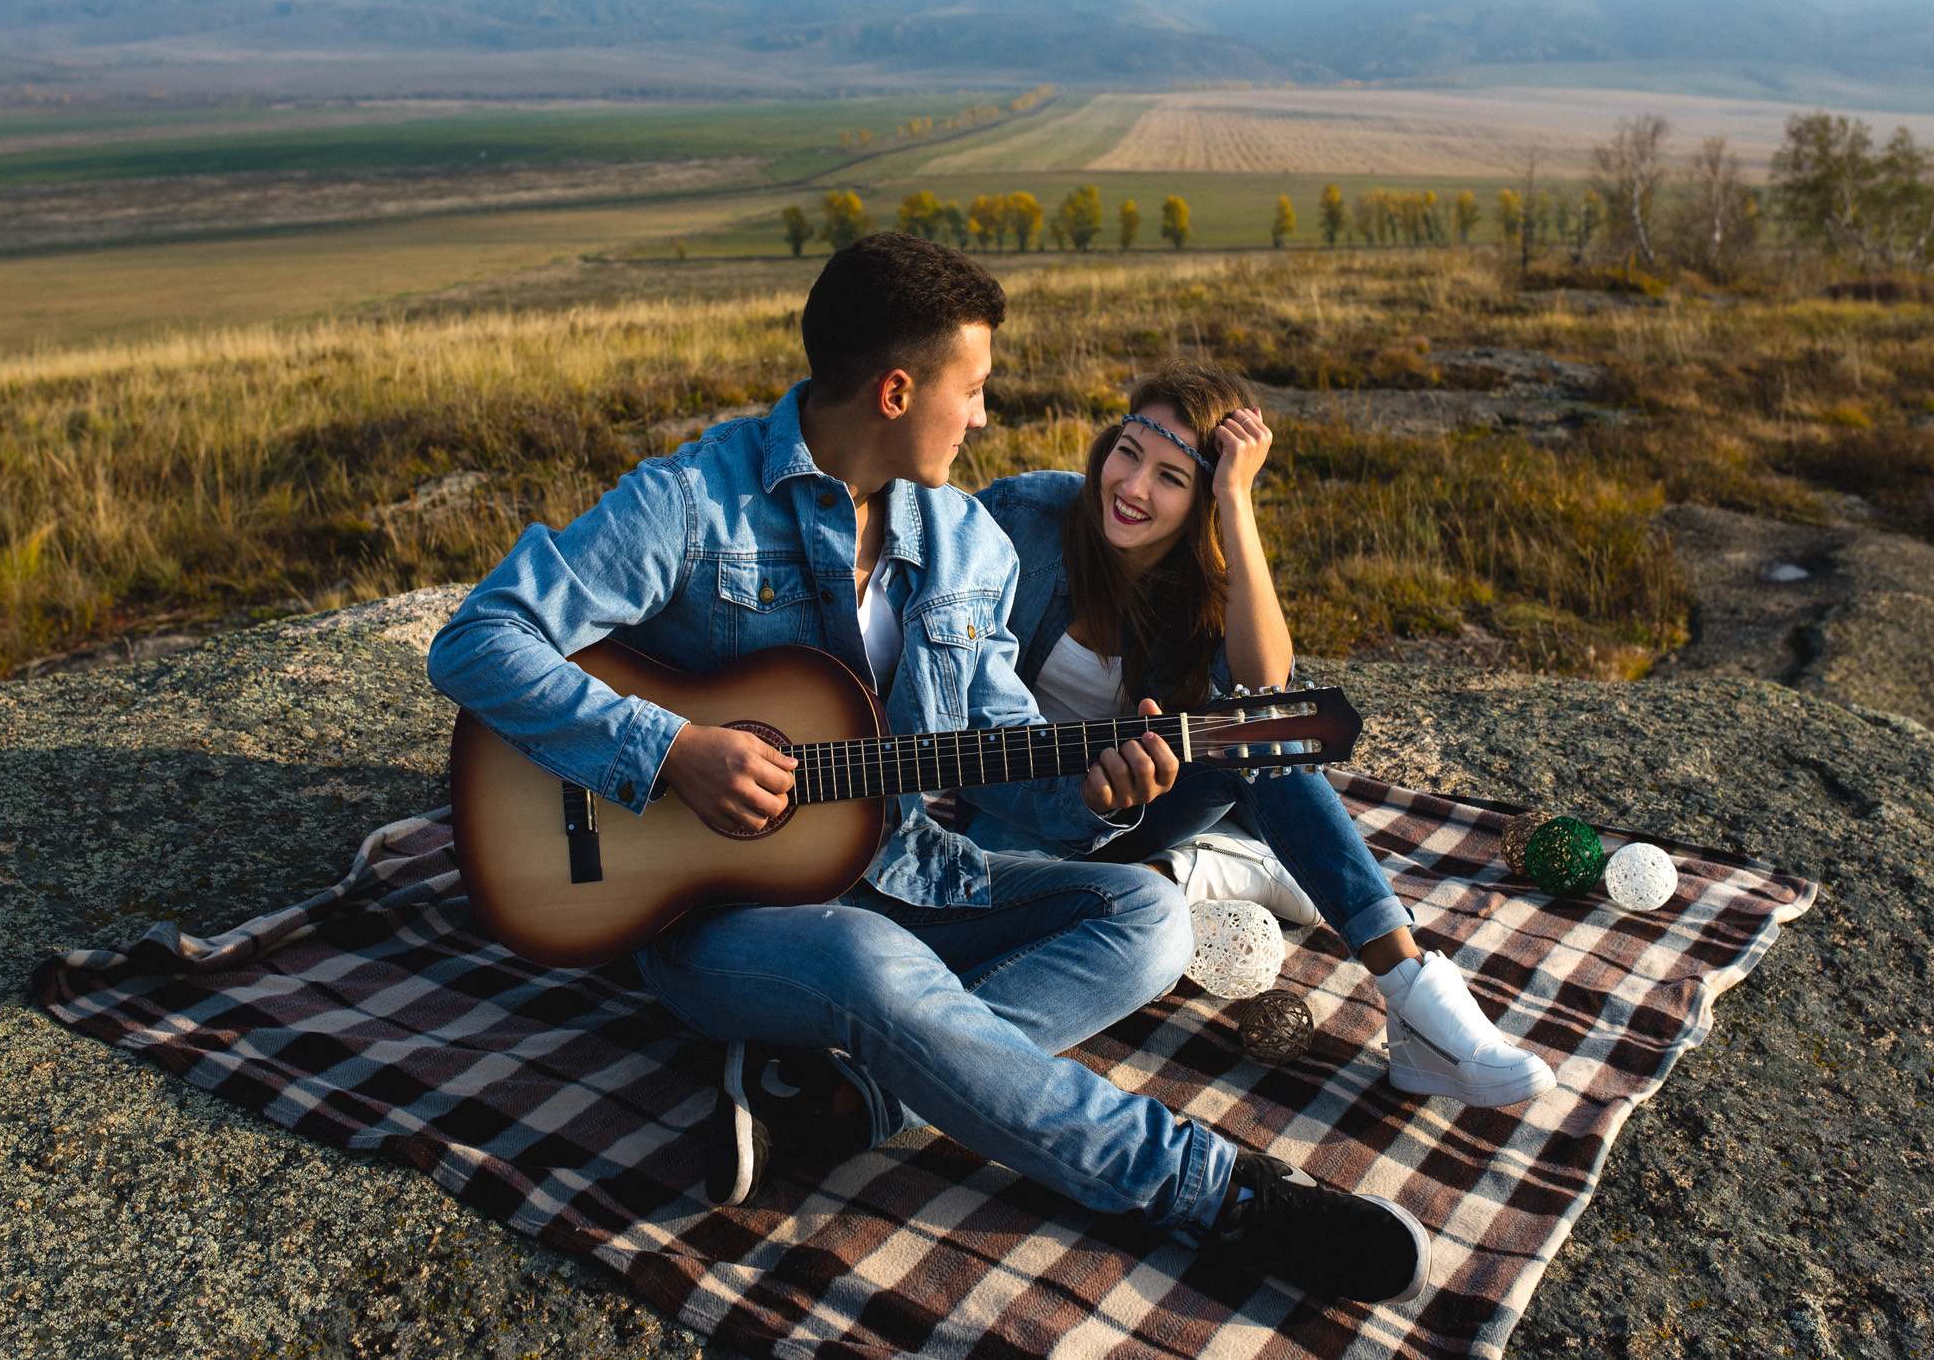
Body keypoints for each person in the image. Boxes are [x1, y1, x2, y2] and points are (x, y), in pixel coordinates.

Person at [429, 235, 1431, 1308]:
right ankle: (1217, 1192)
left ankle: (844, 1097)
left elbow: (1003, 757)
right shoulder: (689, 502)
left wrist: (1096, 795)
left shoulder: (968, 545)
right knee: (868, 962)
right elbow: (479, 639)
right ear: (897, 390)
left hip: (911, 869)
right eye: (977, 389)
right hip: (702, 914)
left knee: (1145, 915)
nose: (987, 419)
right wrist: (673, 748)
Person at [969, 363, 1555, 1110]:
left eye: (1173, 478)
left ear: (1202, 501)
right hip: (1021, 813)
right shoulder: (1026, 511)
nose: (1133, 487)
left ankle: (1414, 995)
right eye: (1127, 452)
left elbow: (1267, 687)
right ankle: (1231, 869)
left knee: (1260, 734)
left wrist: (1237, 499)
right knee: (994, 895)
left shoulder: (1204, 587)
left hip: (1144, 807)